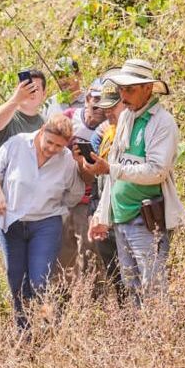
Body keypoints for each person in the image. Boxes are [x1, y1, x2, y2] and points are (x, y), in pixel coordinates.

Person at [87, 59, 185, 303]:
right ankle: (140, 338)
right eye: (122, 89)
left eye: (130, 89)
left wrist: (110, 167)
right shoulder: (125, 119)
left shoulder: (162, 122)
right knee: (131, 287)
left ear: (148, 88)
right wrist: (102, 215)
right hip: (121, 217)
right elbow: (114, 172)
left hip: (146, 217)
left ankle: (161, 338)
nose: (124, 95)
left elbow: (157, 171)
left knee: (152, 287)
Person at [0, 114, 88, 328]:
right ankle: (23, 329)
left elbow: (75, 193)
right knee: (16, 279)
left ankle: (38, 326)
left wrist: (57, 205)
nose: (52, 149)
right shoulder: (18, 143)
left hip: (45, 223)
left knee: (39, 280)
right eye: (49, 142)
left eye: (59, 146)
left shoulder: (67, 159)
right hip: (11, 221)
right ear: (41, 131)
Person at [0, 68, 47, 301]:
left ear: (44, 94)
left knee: (22, 273)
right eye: (27, 87)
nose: (31, 92)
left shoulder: (45, 125)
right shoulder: (7, 113)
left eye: (36, 88)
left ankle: (24, 327)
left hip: (22, 210)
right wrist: (16, 99)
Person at [56, 79, 106, 280]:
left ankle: (93, 302)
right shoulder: (69, 118)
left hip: (89, 200)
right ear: (86, 100)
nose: (99, 111)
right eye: (95, 104)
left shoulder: (106, 130)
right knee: (61, 256)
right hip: (61, 196)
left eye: (104, 106)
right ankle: (62, 302)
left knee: (89, 254)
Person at [88, 80, 125, 295]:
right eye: (106, 107)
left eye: (114, 106)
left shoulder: (137, 132)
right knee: (116, 279)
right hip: (105, 213)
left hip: (130, 215)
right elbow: (94, 178)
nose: (108, 112)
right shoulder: (102, 135)